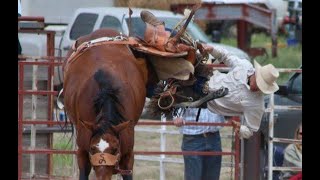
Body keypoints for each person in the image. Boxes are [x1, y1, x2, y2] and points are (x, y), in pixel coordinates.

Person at [206, 46, 280, 139]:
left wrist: (240, 128)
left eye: (261, 88)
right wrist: (212, 50)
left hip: (207, 103)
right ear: (256, 73)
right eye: (258, 83)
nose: (257, 88)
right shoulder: (244, 66)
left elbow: (250, 131)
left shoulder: (257, 105)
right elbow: (226, 56)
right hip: (208, 79)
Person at [173, 108, 224, 180]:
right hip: (193, 136)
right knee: (193, 176)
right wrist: (176, 115)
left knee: (212, 176)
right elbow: (176, 99)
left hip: (214, 136)